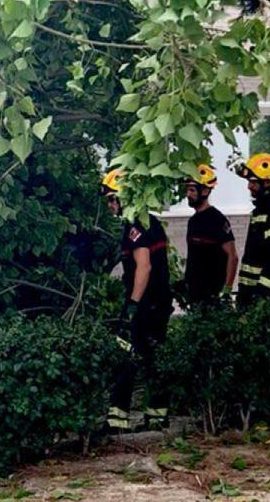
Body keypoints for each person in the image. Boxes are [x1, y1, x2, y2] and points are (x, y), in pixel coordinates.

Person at [101, 169, 173, 430]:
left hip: (145, 304)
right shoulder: (149, 222)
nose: (111, 205)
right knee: (153, 358)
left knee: (127, 356)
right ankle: (156, 417)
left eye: (113, 199)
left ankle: (118, 419)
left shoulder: (136, 226)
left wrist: (132, 304)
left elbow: (144, 267)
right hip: (157, 302)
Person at [232, 153, 270, 309]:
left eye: (253, 182)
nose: (249, 186)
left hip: (268, 292)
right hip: (251, 289)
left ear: (266, 182)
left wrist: (261, 290)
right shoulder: (259, 211)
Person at [183, 164, 238, 305]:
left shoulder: (217, 220)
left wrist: (227, 290)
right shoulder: (193, 221)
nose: (188, 194)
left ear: (205, 191)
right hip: (194, 293)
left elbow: (233, 256)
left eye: (192, 190)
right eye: (187, 190)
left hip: (212, 293)